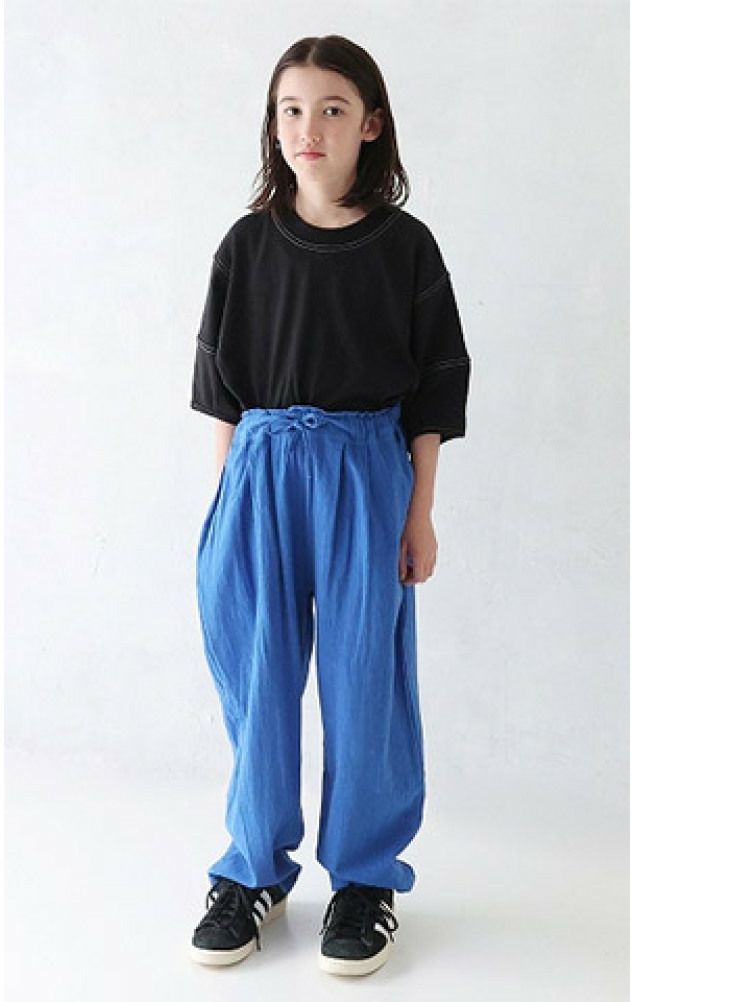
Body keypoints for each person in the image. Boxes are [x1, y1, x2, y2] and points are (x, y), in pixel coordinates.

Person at [187, 34, 471, 977]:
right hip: (259, 474)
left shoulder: (405, 248)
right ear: (274, 126)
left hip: (366, 471)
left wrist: (419, 512)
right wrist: (226, 510)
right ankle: (252, 870)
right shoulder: (246, 245)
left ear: (371, 124)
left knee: (363, 680)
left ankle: (363, 878)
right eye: (292, 109)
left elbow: (435, 387)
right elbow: (221, 388)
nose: (310, 127)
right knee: (259, 676)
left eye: (333, 109)